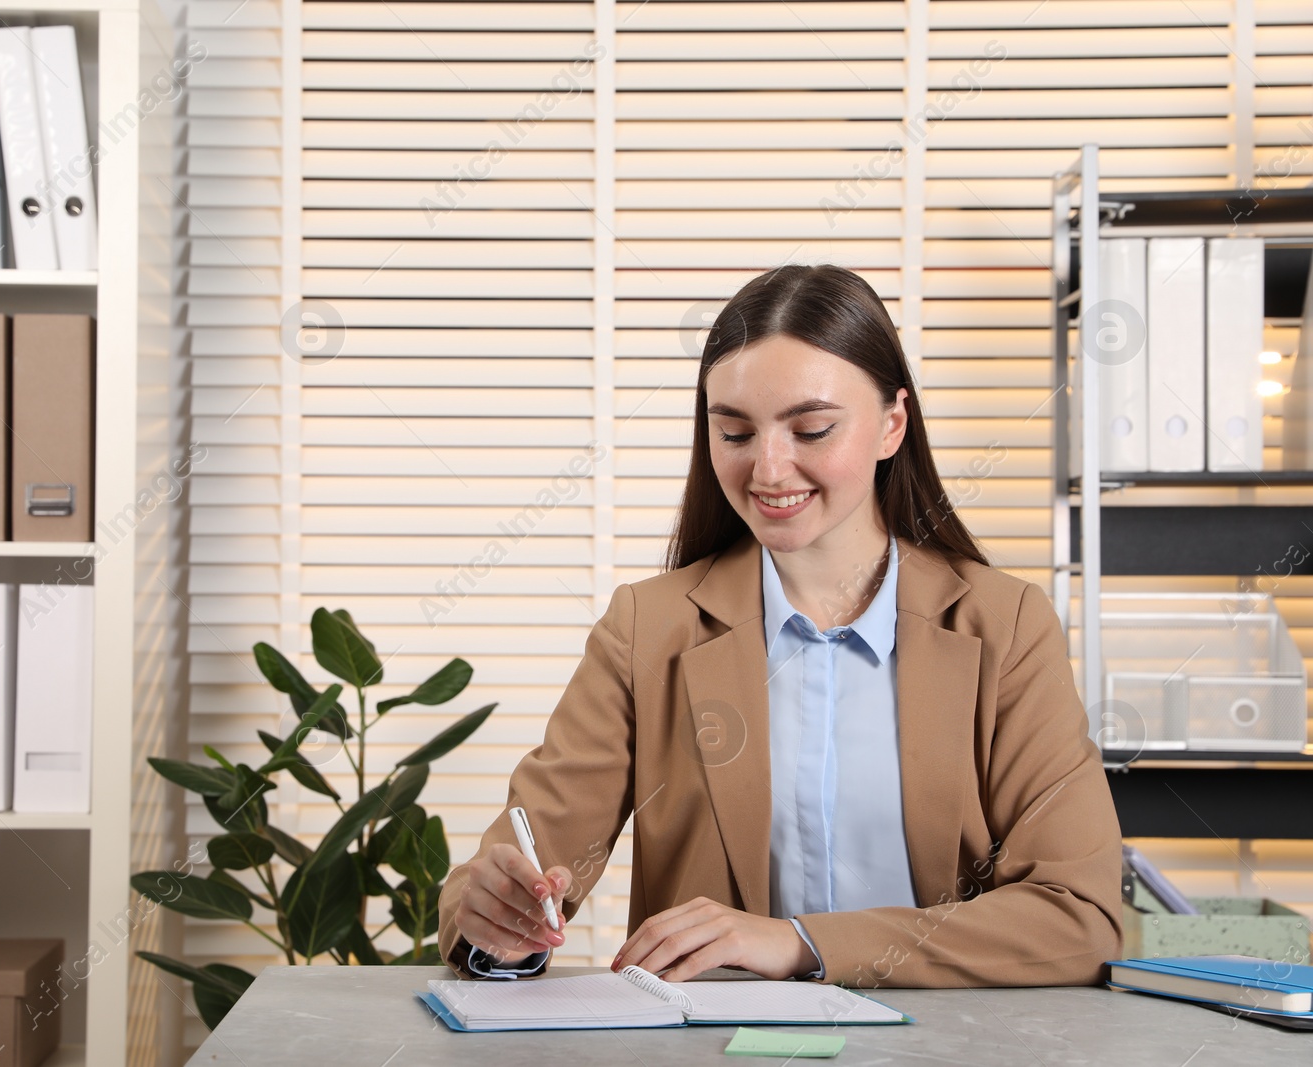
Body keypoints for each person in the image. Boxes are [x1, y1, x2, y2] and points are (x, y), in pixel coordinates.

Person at [436, 263, 1124, 988]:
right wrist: (497, 920)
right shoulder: (648, 629)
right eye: (734, 431)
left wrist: (798, 942)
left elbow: (1076, 915)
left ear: (894, 424)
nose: (768, 469)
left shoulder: (1004, 627)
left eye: (812, 428)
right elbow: (524, 865)